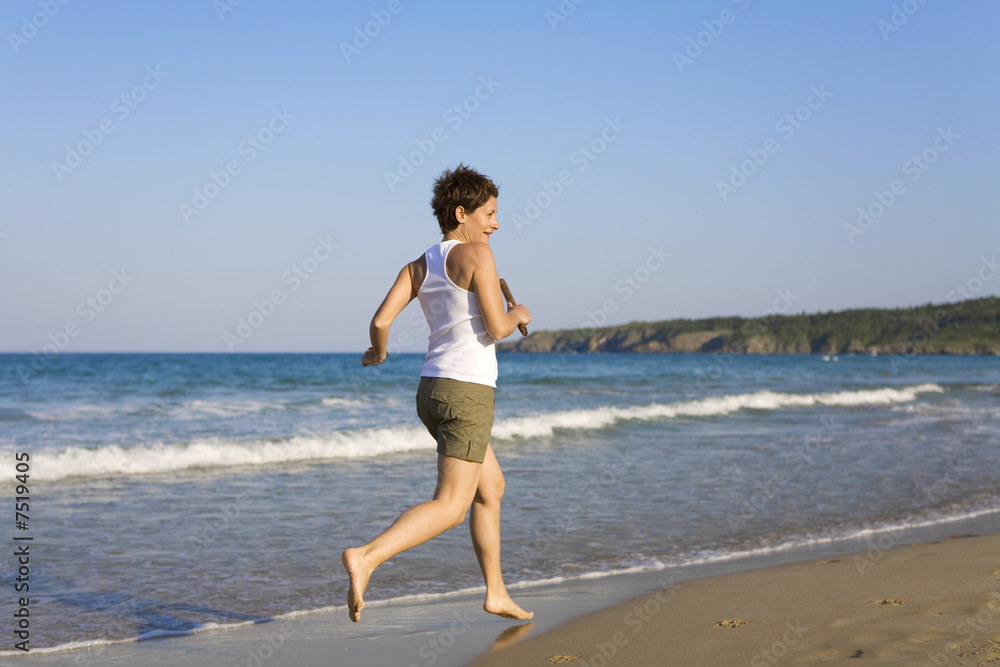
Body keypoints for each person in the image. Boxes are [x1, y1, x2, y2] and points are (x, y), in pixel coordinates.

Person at [342, 164, 534, 623]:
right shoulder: (479, 257)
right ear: (462, 212)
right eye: (489, 214)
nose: (496, 223)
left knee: (492, 487)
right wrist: (519, 312)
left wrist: (377, 353)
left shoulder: (419, 264)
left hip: (432, 392)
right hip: (467, 393)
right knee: (451, 505)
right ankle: (366, 556)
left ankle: (496, 592)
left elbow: (381, 321)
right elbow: (497, 326)